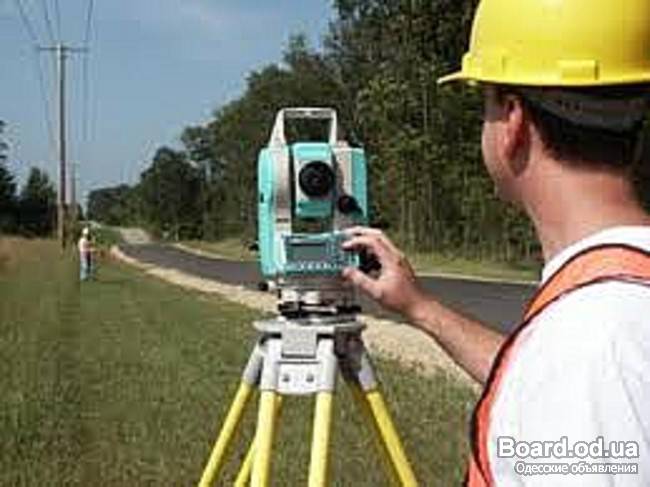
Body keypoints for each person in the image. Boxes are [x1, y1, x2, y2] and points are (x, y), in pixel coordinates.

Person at [341, 0, 650, 485]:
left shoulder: (589, 345)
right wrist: (420, 308)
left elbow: (577, 380)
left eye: (483, 105)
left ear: (512, 120)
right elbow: (540, 387)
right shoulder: (614, 304)